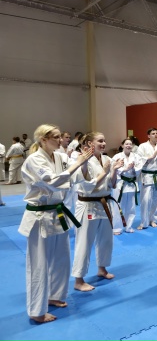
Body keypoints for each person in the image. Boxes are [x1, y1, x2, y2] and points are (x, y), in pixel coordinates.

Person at [18, 124, 93, 323]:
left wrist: (85, 162)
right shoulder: (34, 160)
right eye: (56, 137)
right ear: (43, 139)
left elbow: (76, 176)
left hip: (58, 214)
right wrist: (77, 163)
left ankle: (55, 295)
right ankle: (36, 311)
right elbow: (51, 182)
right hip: (40, 216)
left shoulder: (60, 157)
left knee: (62, 258)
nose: (61, 140)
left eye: (61, 137)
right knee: (39, 264)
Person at [71, 132, 123, 292]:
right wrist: (105, 172)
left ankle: (102, 268)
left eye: (104, 140)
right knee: (84, 242)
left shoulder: (107, 159)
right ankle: (79, 279)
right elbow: (87, 186)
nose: (103, 143)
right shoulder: (82, 159)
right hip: (88, 205)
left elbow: (112, 185)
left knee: (106, 239)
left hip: (105, 203)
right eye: (100, 141)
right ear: (89, 144)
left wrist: (114, 171)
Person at [111, 138, 144, 233]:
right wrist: (126, 169)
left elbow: (139, 168)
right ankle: (117, 227)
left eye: (130, 144)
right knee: (118, 206)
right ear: (122, 145)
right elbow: (113, 169)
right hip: (120, 184)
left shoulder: (136, 157)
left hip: (131, 184)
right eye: (126, 144)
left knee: (131, 207)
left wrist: (133, 168)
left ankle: (128, 226)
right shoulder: (117, 156)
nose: (129, 146)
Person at [137, 128, 157, 229]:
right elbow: (139, 161)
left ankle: (153, 220)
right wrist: (152, 156)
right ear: (148, 136)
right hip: (147, 176)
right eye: (153, 133)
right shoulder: (142, 146)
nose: (156, 135)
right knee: (145, 200)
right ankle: (144, 222)